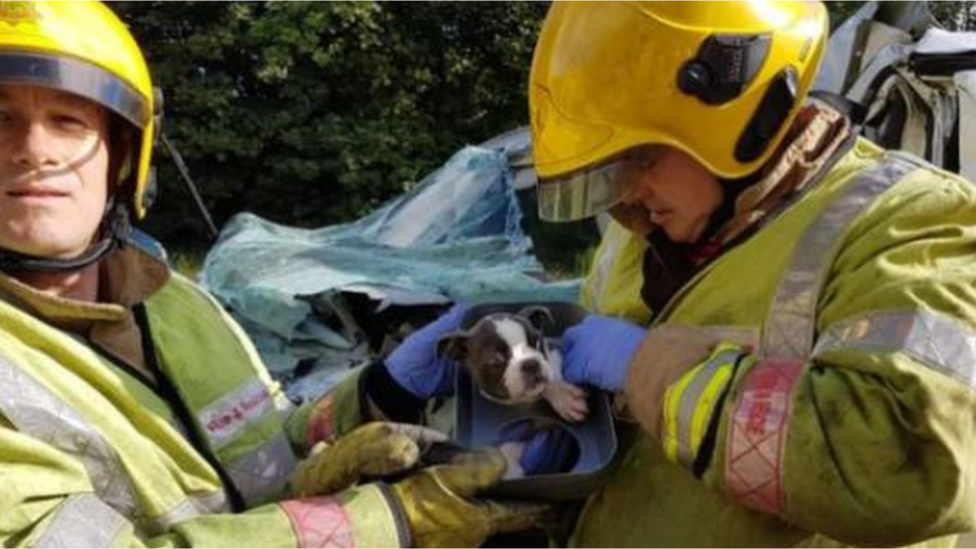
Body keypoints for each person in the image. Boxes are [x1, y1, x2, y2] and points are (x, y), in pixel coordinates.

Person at [0, 1, 550, 548]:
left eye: (68, 120)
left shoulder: (177, 305)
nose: (34, 150)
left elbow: (268, 452)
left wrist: (381, 391)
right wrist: (390, 521)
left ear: (122, 155)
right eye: (0, 120)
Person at [518, 0, 976, 548]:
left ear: (738, 111)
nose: (628, 195)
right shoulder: (637, 234)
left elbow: (920, 462)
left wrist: (649, 369)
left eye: (641, 157)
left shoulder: (913, 220)